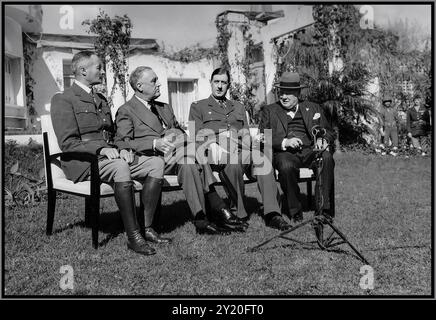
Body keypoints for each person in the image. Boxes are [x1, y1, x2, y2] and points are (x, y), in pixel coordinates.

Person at [50, 51, 165, 256]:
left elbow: (111, 135)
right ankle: (134, 236)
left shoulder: (100, 99)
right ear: (83, 71)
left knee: (155, 163)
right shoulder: (64, 99)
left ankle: (147, 228)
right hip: (82, 162)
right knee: (120, 167)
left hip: (108, 156)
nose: (102, 72)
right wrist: (101, 149)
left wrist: (124, 149)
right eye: (98, 67)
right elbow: (67, 143)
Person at [115, 66, 247, 235]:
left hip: (178, 155)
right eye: (154, 81)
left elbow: (179, 131)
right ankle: (218, 206)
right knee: (193, 152)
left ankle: (201, 220)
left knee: (188, 164)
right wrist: (154, 143)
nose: (159, 85)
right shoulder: (126, 110)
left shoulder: (164, 108)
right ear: (140, 86)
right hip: (152, 159)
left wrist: (176, 136)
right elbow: (122, 141)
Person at [189, 68, 291, 231]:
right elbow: (196, 136)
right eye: (217, 82)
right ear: (211, 83)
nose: (220, 86)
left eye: (223, 82)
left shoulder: (238, 106)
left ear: (228, 85)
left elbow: (245, 134)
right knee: (233, 164)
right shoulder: (198, 107)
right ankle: (239, 213)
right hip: (217, 153)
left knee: (262, 160)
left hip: (242, 150)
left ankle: (273, 214)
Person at [259, 72, 336, 223]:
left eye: (289, 93)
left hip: (311, 150)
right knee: (286, 166)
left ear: (298, 93)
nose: (284, 96)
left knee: (326, 158)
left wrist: (323, 140)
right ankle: (295, 211)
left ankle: (323, 210)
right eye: (281, 92)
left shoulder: (314, 108)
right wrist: (284, 142)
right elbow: (262, 137)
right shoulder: (269, 110)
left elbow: (329, 132)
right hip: (285, 153)